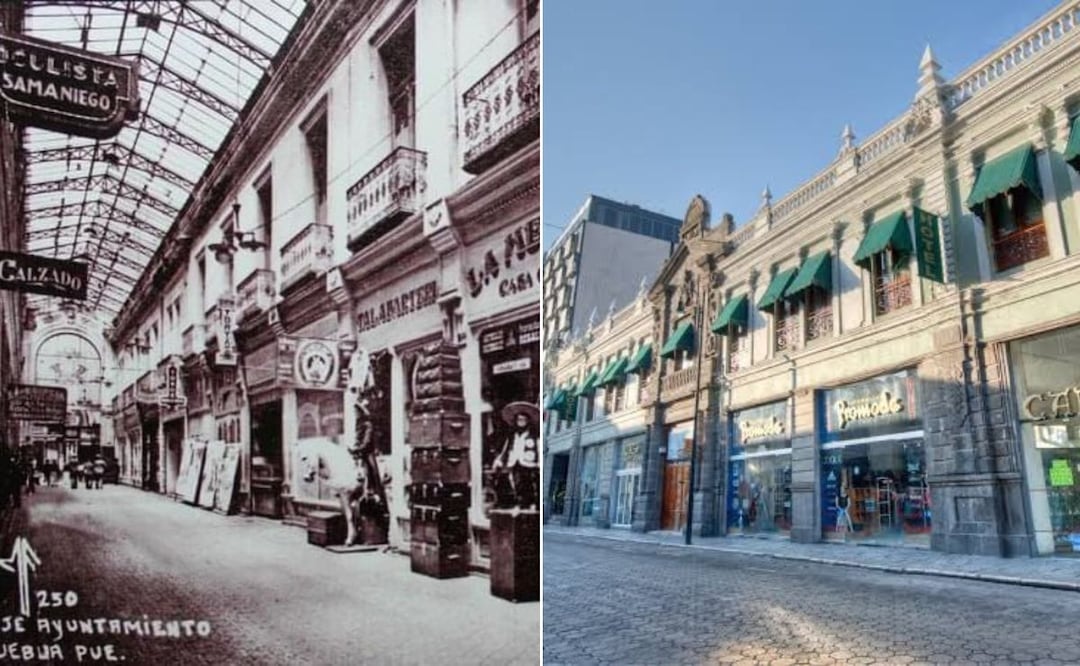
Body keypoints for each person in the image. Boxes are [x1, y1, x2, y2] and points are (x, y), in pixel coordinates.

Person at [493, 402, 540, 510]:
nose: (521, 422)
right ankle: (520, 502)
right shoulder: (512, 436)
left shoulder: (532, 436)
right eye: (519, 420)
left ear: (527, 421)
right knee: (516, 482)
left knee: (528, 482)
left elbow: (537, 447)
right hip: (515, 462)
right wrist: (499, 460)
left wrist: (539, 462)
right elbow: (506, 449)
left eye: (523, 420)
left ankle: (530, 502)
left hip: (528, 463)